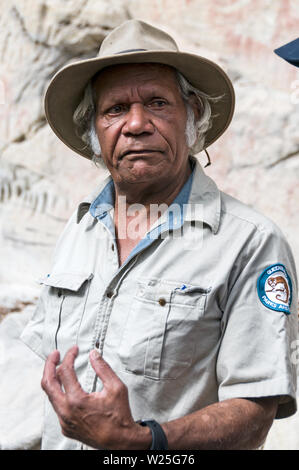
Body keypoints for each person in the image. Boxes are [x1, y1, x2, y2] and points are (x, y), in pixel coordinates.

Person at [20, 19, 298, 450]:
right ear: (93, 131)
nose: (136, 124)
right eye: (115, 109)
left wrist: (141, 442)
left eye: (157, 103)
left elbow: (254, 411)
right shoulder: (81, 229)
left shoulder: (251, 243)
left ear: (193, 116)